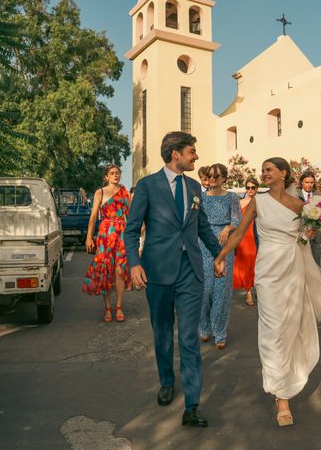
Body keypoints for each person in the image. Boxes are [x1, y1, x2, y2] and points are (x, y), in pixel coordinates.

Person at [214, 157, 321, 427]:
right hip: (267, 271)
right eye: (262, 169)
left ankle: (287, 383)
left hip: (293, 268)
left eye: (269, 170)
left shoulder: (301, 206)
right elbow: (240, 233)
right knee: (273, 329)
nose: (263, 173)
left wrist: (310, 233)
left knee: (291, 327)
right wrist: (220, 256)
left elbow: (303, 237)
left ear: (283, 174)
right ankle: (281, 396)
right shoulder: (258, 202)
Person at [124, 131, 221, 428]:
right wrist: (134, 264)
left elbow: (202, 227)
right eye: (192, 151)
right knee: (163, 332)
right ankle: (167, 380)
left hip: (190, 270)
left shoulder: (193, 187)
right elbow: (131, 230)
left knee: (189, 337)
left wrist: (219, 255)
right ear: (176, 154)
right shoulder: (147, 186)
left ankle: (192, 405)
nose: (196, 156)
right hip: (157, 270)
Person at [198, 163, 242, 349]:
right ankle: (203, 327)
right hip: (203, 244)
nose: (212, 179)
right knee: (205, 288)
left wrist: (227, 228)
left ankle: (220, 332)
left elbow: (237, 219)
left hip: (225, 245)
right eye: (209, 176)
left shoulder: (232, 197)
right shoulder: (200, 198)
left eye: (216, 176)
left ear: (224, 178)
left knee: (221, 290)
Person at [82, 165, 130, 323]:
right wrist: (89, 236)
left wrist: (137, 232)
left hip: (121, 234)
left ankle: (119, 307)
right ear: (106, 177)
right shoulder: (100, 192)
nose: (115, 175)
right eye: (112, 173)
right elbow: (94, 215)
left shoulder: (125, 192)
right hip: (104, 236)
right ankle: (107, 308)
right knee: (106, 272)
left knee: (120, 270)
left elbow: (133, 214)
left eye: (117, 173)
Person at [233, 177, 259, 306]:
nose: (250, 190)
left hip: (256, 236)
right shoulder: (240, 202)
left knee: (255, 263)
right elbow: (235, 221)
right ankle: (248, 291)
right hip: (243, 237)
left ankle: (254, 289)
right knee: (244, 263)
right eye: (248, 187)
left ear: (257, 189)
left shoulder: (260, 202)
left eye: (252, 187)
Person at [298, 171, 321, 266]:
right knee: (302, 263)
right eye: (307, 182)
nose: (309, 185)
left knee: (316, 264)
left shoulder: (319, 195)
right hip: (301, 233)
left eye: (311, 182)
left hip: (315, 235)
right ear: (301, 182)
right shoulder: (296, 195)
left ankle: (318, 280)